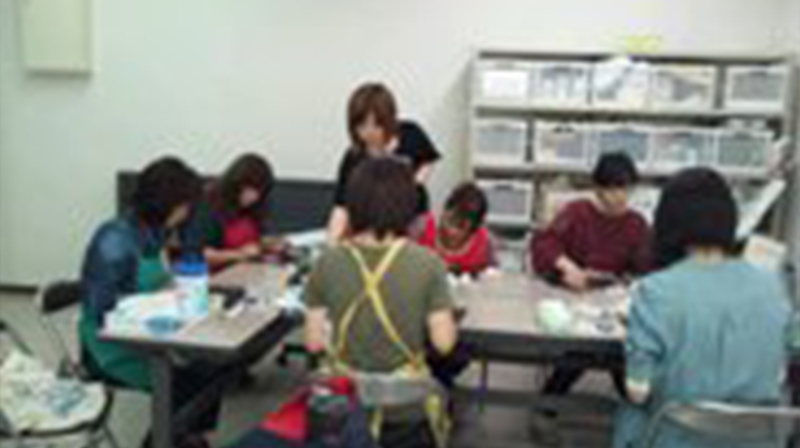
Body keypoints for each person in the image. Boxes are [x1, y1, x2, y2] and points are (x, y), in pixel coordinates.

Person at [615, 168, 793, 448]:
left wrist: (638, 334)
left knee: (630, 412)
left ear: (667, 221)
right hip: (756, 440)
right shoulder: (772, 285)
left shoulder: (656, 291)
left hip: (676, 438)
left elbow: (638, 390)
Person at [305, 158, 458, 448]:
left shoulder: (327, 262)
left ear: (353, 204)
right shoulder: (429, 264)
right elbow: (444, 344)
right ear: (408, 206)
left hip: (345, 408)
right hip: (406, 409)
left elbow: (313, 343)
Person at [79, 157, 222, 448]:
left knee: (212, 366)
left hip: (153, 333)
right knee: (189, 380)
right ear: (166, 203)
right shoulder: (113, 240)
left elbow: (161, 280)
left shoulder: (154, 231)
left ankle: (183, 437)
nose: (186, 213)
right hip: (111, 345)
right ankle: (168, 439)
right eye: (184, 206)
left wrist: (181, 295)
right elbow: (102, 312)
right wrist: (155, 310)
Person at [327, 82, 442, 243]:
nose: (369, 132)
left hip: (413, 218)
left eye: (376, 125)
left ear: (389, 119)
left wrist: (415, 183)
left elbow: (429, 158)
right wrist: (332, 241)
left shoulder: (411, 133)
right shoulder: (353, 157)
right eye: (361, 126)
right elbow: (341, 206)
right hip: (371, 230)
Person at [532, 152, 651, 290]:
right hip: (571, 292)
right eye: (612, 190)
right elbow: (543, 245)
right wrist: (567, 267)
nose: (620, 196)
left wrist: (629, 279)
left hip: (612, 294)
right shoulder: (576, 213)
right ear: (598, 189)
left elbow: (645, 265)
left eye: (626, 189)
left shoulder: (636, 224)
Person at [193, 153, 276, 271]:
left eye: (259, 192)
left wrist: (267, 244)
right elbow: (200, 254)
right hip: (218, 275)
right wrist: (239, 254)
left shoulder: (253, 208)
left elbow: (257, 239)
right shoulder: (209, 206)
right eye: (250, 188)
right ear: (236, 183)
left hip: (248, 271)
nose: (254, 197)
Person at [417, 182, 497, 276]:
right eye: (450, 221)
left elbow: (493, 275)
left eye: (461, 227)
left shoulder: (484, 244)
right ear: (444, 211)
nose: (452, 232)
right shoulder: (422, 229)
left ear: (472, 231)